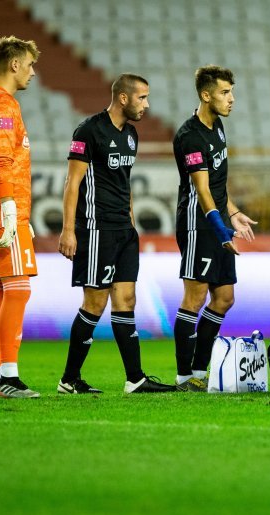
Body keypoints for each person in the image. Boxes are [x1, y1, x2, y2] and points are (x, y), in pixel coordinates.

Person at [57, 74, 174, 394]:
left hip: (124, 231)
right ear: (123, 98)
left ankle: (134, 378)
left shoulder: (131, 135)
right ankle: (68, 380)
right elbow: (72, 183)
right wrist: (69, 230)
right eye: (142, 98)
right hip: (96, 229)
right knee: (94, 303)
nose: (147, 105)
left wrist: (132, 222)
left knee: (126, 300)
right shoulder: (88, 130)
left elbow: (125, 182)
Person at [171, 65, 257, 392]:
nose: (232, 99)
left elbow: (219, 186)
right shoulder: (189, 136)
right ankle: (183, 377)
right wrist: (222, 232)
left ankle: (198, 369)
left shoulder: (218, 126)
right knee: (194, 299)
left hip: (219, 222)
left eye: (231, 92)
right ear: (206, 96)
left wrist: (233, 212)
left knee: (224, 298)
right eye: (225, 93)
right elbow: (203, 191)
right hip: (198, 225)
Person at [0, 36, 41, 398]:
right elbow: (1, 161)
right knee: (18, 289)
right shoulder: (2, 104)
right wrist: (11, 209)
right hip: (3, 211)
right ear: (14, 64)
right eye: (29, 64)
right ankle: (8, 377)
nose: (32, 71)